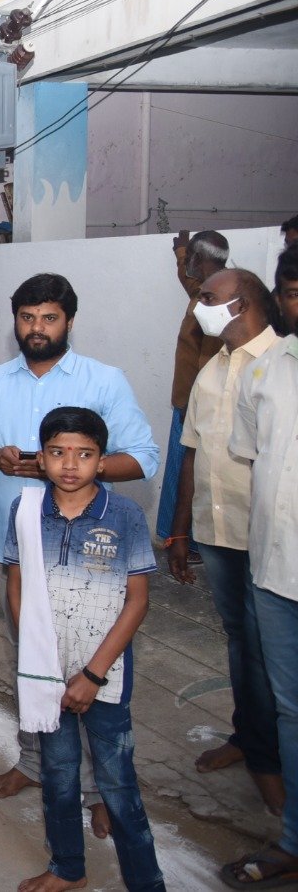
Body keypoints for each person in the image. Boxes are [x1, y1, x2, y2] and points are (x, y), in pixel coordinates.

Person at [0, 272, 158, 828]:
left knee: (96, 668)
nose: (37, 329)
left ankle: (101, 789)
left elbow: (142, 458)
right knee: (30, 663)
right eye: (26, 318)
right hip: (16, 552)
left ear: (69, 321)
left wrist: (60, 464)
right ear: (14, 320)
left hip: (91, 557)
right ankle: (35, 762)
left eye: (49, 318)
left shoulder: (103, 380)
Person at [4, 407, 164, 892]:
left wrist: (92, 676)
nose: (69, 465)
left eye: (84, 454)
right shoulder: (26, 511)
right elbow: (16, 586)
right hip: (45, 673)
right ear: (41, 457)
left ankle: (145, 881)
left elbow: (136, 602)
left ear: (102, 460)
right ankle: (67, 867)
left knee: (117, 784)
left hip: (104, 676)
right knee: (57, 773)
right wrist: (38, 660)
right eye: (57, 453)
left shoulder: (125, 515)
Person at [167, 268, 283, 809]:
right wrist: (182, 530)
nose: (199, 308)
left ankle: (269, 757)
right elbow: (191, 452)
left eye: (207, 298)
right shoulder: (211, 367)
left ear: (241, 304)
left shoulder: (282, 362)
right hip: (218, 532)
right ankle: (249, 737)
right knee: (240, 641)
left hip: (269, 535)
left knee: (269, 650)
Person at [221, 247, 298, 888]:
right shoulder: (265, 372)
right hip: (275, 572)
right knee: (290, 710)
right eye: (294, 291)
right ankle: (293, 837)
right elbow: (252, 460)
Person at [162, 230, 229, 562]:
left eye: (190, 260)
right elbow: (189, 283)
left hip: (195, 403)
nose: (187, 265)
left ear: (201, 261)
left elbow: (211, 358)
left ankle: (189, 542)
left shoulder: (218, 299)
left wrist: (194, 404)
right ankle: (182, 539)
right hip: (186, 400)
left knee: (190, 473)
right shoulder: (206, 289)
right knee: (183, 470)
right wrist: (180, 252)